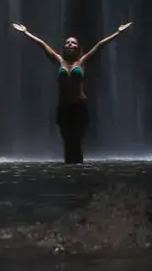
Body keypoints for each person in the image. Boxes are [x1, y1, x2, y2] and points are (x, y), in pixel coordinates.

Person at [11, 20, 132, 164]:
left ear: (78, 48)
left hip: (79, 107)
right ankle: (69, 172)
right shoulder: (59, 60)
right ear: (63, 47)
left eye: (73, 43)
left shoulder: (82, 62)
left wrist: (118, 33)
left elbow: (100, 45)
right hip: (64, 107)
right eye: (68, 43)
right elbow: (42, 45)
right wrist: (26, 33)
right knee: (67, 142)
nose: (70, 45)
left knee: (77, 141)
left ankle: (78, 171)